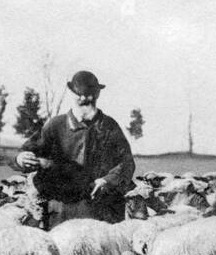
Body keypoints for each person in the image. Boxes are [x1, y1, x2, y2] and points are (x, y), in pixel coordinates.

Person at [11, 70, 135, 224]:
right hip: (61, 207)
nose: (83, 99)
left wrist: (106, 181)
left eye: (89, 94)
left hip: (100, 208)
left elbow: (127, 162)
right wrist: (21, 158)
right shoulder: (55, 125)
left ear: (97, 94)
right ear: (71, 92)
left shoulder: (109, 127)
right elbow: (29, 150)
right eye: (79, 93)